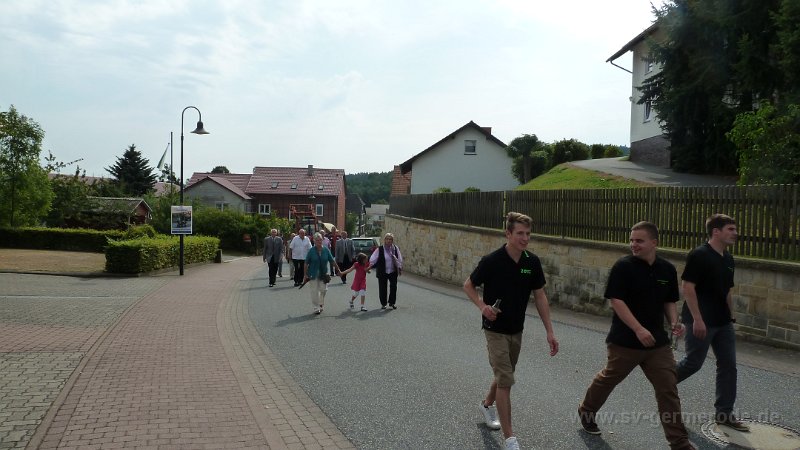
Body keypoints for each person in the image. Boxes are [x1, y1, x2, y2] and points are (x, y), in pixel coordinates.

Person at [577, 221, 695, 450]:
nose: (633, 244)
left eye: (639, 240)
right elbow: (616, 301)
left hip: (657, 345)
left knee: (668, 388)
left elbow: (669, 300)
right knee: (609, 379)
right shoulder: (623, 267)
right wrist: (638, 329)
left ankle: (679, 443)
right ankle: (587, 410)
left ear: (654, 243)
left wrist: (674, 321)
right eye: (631, 240)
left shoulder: (667, 270)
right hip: (625, 342)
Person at [463, 212, 559, 450]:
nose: (525, 238)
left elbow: (540, 296)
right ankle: (510, 439)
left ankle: (486, 404)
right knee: (506, 379)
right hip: (494, 329)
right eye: (520, 234)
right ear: (508, 234)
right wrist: (483, 307)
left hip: (517, 329)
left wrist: (550, 332)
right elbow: (468, 285)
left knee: (504, 374)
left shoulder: (531, 262)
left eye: (528, 234)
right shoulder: (492, 261)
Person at [676, 214, 749, 432]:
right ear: (716, 231)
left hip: (722, 322)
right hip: (701, 320)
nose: (735, 233)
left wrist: (731, 315)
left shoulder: (728, 259)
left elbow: (727, 290)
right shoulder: (699, 255)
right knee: (693, 363)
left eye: (735, 229)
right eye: (731, 229)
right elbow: (688, 287)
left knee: (728, 366)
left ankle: (724, 414)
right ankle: (664, 384)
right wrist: (697, 319)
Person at [304, 232, 341, 314]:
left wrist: (338, 269)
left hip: (323, 274)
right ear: (314, 241)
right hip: (312, 274)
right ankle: (316, 307)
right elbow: (306, 263)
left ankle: (320, 303)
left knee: (324, 289)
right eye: (317, 240)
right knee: (314, 291)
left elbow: (332, 261)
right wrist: (305, 275)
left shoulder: (326, 250)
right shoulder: (311, 251)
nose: (319, 242)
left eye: (320, 240)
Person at [369, 233, 403, 310]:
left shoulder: (395, 249)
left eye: (390, 239)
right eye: (387, 239)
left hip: (392, 271)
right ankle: (383, 303)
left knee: (393, 286)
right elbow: (373, 259)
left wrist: (399, 267)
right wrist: (370, 266)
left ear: (392, 240)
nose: (388, 241)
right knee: (382, 288)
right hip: (382, 271)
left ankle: (392, 302)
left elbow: (399, 258)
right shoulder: (380, 249)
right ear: (384, 240)